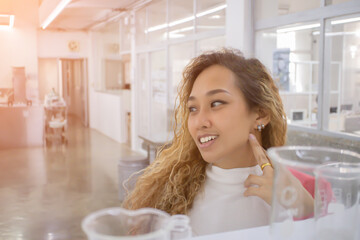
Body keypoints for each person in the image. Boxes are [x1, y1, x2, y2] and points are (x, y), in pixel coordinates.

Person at [122, 48, 313, 236]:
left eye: (216, 103)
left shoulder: (295, 192)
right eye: (193, 108)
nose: (199, 122)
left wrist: (304, 208)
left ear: (261, 114)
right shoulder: (172, 189)